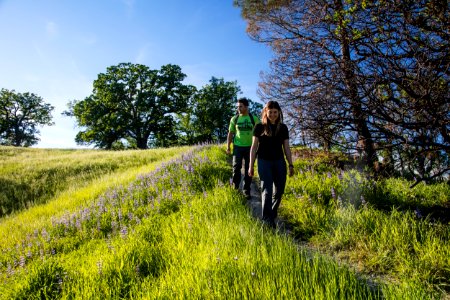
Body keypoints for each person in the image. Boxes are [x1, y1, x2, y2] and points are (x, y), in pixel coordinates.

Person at [248, 101, 294, 228]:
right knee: (267, 190)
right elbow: (253, 147)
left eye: (275, 112)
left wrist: (291, 164)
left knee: (279, 191)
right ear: (265, 112)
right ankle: (267, 220)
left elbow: (287, 148)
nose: (273, 115)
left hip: (279, 162)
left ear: (279, 113)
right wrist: (251, 166)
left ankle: (272, 214)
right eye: (270, 112)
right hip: (264, 161)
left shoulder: (283, 128)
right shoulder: (259, 127)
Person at [227, 97, 260, 199]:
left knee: (248, 170)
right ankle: (235, 188)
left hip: (251, 148)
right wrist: (228, 147)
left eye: (240, 106)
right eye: (237, 107)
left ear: (246, 107)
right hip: (238, 147)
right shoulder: (234, 119)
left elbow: (260, 134)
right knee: (236, 168)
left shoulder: (254, 119)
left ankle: (246, 190)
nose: (238, 108)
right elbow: (230, 133)